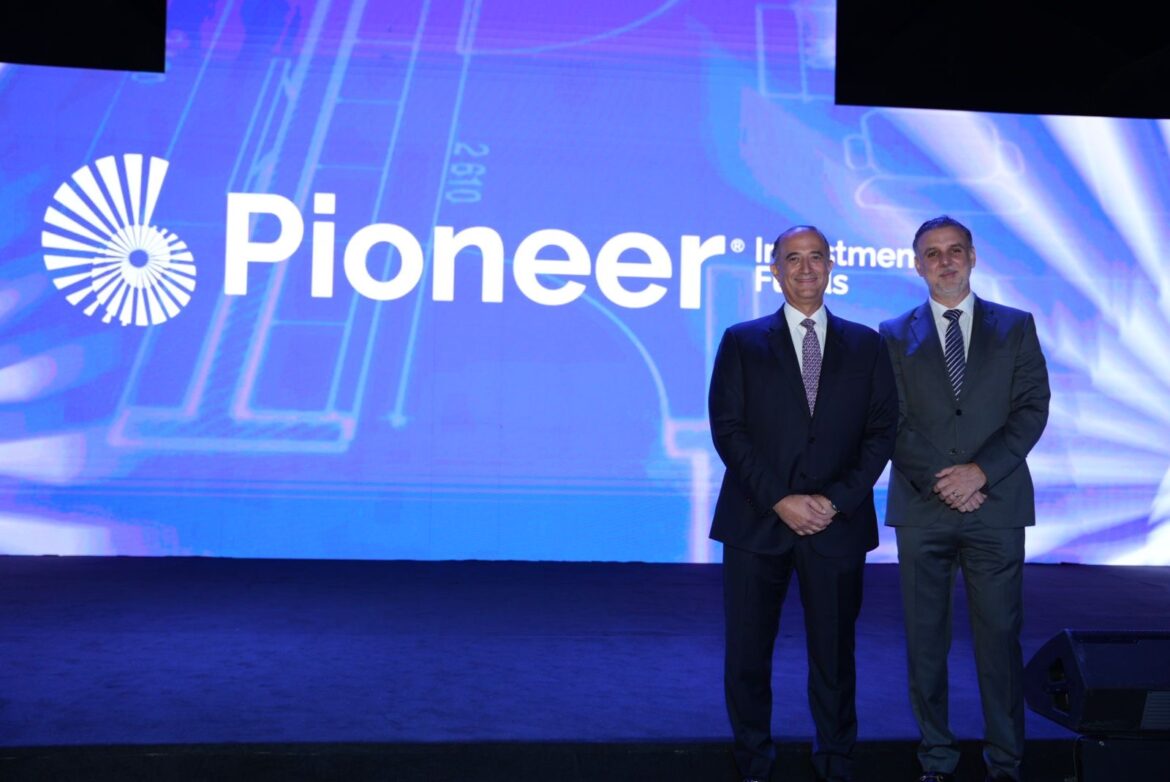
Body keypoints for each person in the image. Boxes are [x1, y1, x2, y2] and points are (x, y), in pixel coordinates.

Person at [709, 225, 897, 782]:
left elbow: (881, 432)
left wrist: (834, 502)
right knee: (748, 655)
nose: (806, 268)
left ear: (831, 266)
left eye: (816, 257)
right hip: (756, 522)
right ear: (775, 270)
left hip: (837, 526)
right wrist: (780, 500)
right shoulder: (742, 341)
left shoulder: (867, 344)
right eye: (793, 259)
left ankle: (835, 760)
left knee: (835, 656)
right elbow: (728, 430)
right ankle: (752, 761)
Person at [879, 216, 1050, 782]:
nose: (945, 261)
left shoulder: (1016, 326)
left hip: (996, 506)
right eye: (932, 253)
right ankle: (936, 758)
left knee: (999, 641)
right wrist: (945, 481)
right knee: (925, 644)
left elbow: (1032, 409)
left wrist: (980, 474)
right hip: (922, 509)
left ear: (973, 257)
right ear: (917, 265)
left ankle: (1006, 761)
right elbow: (888, 420)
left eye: (955, 250)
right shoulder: (891, 334)